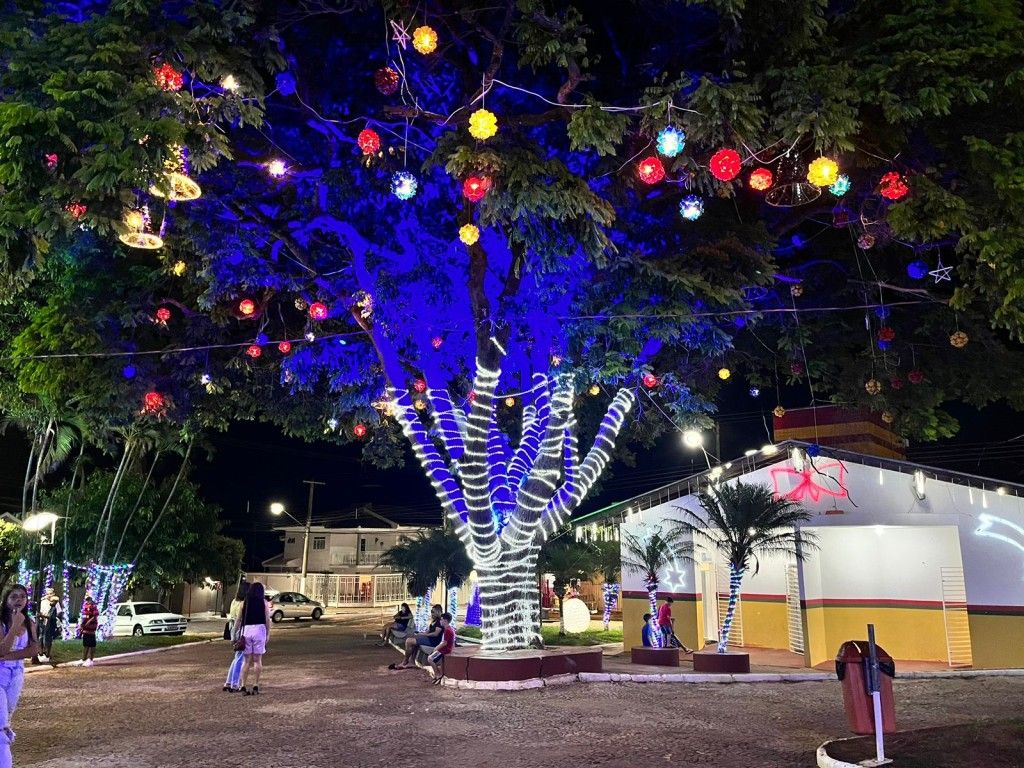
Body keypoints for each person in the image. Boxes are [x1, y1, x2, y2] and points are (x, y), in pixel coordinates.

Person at [0, 584, 39, 768]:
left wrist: (8, 656)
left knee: (6, 718)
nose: (18, 600)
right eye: (14, 596)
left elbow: (33, 649)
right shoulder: (1, 622)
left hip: (16, 675)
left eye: (22, 596)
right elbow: (2, 649)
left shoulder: (30, 623)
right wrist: (14, 625)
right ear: (6, 600)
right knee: (1, 725)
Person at [239, 581, 271, 695]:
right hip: (260, 630)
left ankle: (243, 685)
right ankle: (255, 685)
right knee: (257, 660)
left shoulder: (245, 602)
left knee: (246, 660)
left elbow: (239, 619)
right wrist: (268, 633)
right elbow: (267, 619)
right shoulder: (264, 603)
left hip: (247, 630)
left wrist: (236, 633)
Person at [393, 604, 442, 670]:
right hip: (429, 639)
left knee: (409, 641)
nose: (431, 613)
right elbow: (428, 631)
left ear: (438, 612)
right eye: (431, 611)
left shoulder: (440, 622)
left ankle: (405, 662)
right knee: (413, 637)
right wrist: (420, 634)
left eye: (433, 612)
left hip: (433, 641)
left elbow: (436, 634)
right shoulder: (434, 621)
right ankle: (412, 662)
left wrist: (424, 635)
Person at [223, 581, 249, 692]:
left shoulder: (234, 601)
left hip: (232, 627)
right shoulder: (243, 603)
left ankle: (228, 682)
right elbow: (239, 619)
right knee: (240, 658)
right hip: (239, 629)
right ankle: (234, 683)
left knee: (237, 657)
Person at [426, 612, 455, 685]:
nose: (440, 621)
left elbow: (444, 642)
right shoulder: (448, 629)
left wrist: (436, 648)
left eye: (441, 620)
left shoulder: (448, 630)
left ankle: (437, 675)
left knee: (430, 659)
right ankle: (438, 674)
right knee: (431, 658)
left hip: (445, 650)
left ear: (445, 621)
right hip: (445, 649)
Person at [38, 591, 62, 664]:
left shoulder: (54, 609)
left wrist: (42, 616)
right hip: (46, 624)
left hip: (50, 626)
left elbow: (51, 617)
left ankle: (47, 655)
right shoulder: (49, 606)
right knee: (44, 639)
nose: (50, 603)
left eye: (52, 601)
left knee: (48, 640)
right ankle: (43, 653)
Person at [80, 596, 99, 667]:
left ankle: (91, 659)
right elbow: (84, 617)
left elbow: (95, 616)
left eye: (89, 600)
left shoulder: (94, 607)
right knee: (85, 645)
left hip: (91, 628)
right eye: (87, 600)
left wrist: (88, 622)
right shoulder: (85, 607)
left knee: (91, 645)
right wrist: (82, 624)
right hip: (86, 629)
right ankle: (83, 659)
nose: (88, 602)